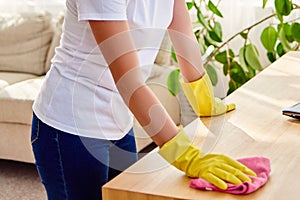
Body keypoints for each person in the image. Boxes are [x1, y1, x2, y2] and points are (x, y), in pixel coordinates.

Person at [31, 0, 256, 199]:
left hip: (119, 121)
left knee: (127, 195)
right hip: (69, 127)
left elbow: (184, 38)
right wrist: (186, 155)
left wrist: (204, 97)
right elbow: (129, 82)